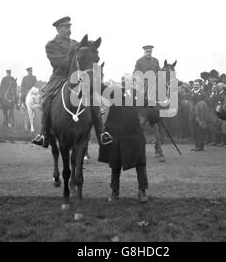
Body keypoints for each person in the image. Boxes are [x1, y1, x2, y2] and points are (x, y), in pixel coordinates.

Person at [31, 17, 106, 147]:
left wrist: (91, 47)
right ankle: (44, 134)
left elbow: (86, 53)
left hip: (78, 76)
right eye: (66, 27)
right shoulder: (51, 45)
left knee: (93, 98)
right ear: (58, 29)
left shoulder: (76, 43)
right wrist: (75, 58)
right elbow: (58, 62)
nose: (69, 30)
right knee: (46, 100)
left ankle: (102, 133)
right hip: (59, 76)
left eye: (69, 27)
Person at [98, 83, 148, 203]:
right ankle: (115, 192)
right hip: (117, 134)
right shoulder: (115, 93)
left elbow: (149, 106)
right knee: (115, 164)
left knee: (140, 163)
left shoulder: (139, 96)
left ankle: (142, 191)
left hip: (134, 133)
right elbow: (101, 87)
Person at [133, 45, 164, 160]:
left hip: (153, 93)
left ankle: (158, 149)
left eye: (150, 51)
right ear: (144, 51)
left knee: (156, 125)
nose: (148, 52)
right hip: (142, 92)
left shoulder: (156, 61)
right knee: (139, 124)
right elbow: (135, 73)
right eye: (147, 51)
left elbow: (160, 73)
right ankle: (138, 150)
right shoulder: (139, 62)